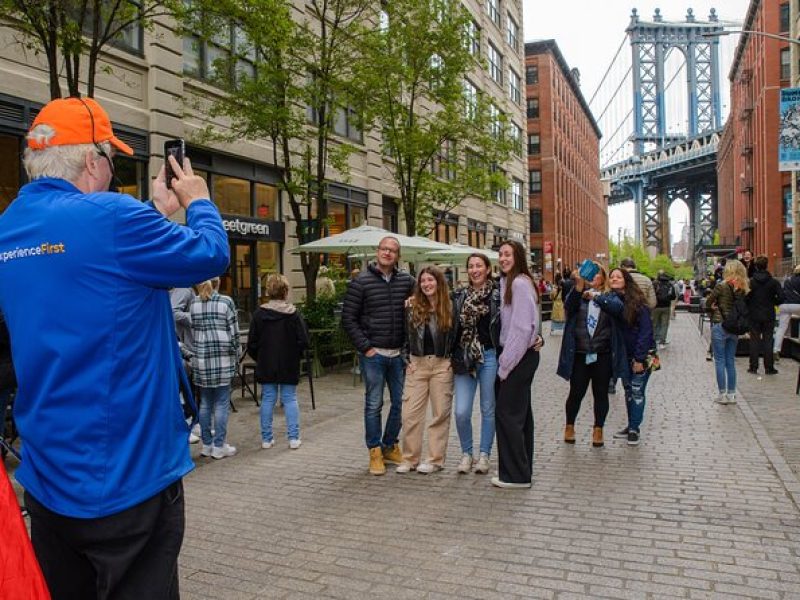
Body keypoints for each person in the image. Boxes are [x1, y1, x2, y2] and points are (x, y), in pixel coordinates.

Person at [0, 97, 229, 598]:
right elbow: (211, 253)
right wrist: (198, 200)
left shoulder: (8, 228)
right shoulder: (112, 216)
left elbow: (89, 268)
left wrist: (155, 215)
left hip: (49, 482)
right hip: (131, 480)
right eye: (111, 159)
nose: (111, 170)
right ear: (91, 161)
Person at [342, 236, 414, 475]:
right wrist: (366, 348)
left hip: (398, 355)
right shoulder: (360, 282)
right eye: (384, 248)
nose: (387, 253)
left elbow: (418, 310)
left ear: (398, 255)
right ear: (377, 251)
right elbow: (348, 319)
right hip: (374, 354)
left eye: (392, 250)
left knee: (400, 403)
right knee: (374, 404)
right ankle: (374, 450)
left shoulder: (407, 281)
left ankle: (390, 445)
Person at [557, 262, 626, 449]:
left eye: (597, 274)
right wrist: (579, 287)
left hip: (602, 354)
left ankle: (598, 429)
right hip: (580, 353)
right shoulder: (578, 296)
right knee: (576, 393)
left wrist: (596, 296)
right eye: (590, 273)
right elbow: (568, 306)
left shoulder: (611, 297)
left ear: (603, 277)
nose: (593, 277)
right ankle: (569, 425)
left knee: (601, 394)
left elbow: (618, 308)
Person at [492, 240, 542, 489]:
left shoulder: (519, 283)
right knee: (520, 415)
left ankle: (515, 476)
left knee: (507, 414)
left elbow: (522, 329)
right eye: (500, 254)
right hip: (522, 355)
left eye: (508, 254)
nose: (502, 258)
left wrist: (505, 365)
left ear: (518, 256)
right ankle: (522, 470)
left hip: (518, 357)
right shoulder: (510, 282)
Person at [396, 267, 455, 474]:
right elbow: (403, 337)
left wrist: (451, 360)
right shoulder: (412, 307)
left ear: (439, 282)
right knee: (410, 414)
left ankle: (434, 460)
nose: (427, 284)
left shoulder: (450, 306)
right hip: (417, 365)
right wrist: (406, 360)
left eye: (431, 280)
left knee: (439, 414)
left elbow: (457, 336)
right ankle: (409, 459)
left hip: (441, 365)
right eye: (423, 281)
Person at [247, 274, 310, 450]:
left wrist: (260, 357)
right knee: (289, 399)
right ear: (285, 291)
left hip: (267, 362)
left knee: (268, 399)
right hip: (289, 362)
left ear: (268, 291)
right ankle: (293, 438)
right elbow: (304, 340)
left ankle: (266, 439)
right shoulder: (294, 314)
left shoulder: (259, 314)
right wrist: (296, 354)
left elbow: (251, 343)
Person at [594, 269, 655, 446]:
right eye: (612, 276)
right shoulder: (611, 300)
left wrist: (639, 358)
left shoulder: (637, 304)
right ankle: (631, 426)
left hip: (640, 355)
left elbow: (646, 332)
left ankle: (634, 429)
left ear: (626, 280)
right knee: (629, 390)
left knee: (636, 391)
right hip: (624, 355)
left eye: (618, 277)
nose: (614, 279)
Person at [451, 253, 500, 475]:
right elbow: (437, 306)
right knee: (461, 411)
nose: (474, 269)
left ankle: (484, 455)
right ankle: (466, 453)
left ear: (488, 269)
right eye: (471, 266)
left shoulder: (498, 296)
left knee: (488, 408)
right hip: (464, 358)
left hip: (489, 356)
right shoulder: (459, 295)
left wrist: (536, 336)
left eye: (479, 265)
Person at [192, 277, 241, 459]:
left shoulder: (194, 303)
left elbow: (194, 328)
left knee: (205, 403)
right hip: (222, 359)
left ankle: (206, 445)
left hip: (202, 359)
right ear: (218, 283)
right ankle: (219, 446)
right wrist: (237, 353)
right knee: (221, 403)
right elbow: (235, 333)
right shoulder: (226, 302)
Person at [707, 260, 750, 404]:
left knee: (720, 360)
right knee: (730, 361)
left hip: (720, 325)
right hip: (735, 327)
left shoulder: (722, 286)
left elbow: (708, 302)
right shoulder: (744, 288)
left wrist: (712, 308)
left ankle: (722, 394)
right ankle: (732, 394)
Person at [746, 255, 783, 375]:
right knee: (768, 340)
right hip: (768, 314)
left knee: (754, 340)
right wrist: (773, 302)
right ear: (766, 266)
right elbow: (782, 297)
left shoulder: (751, 282)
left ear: (756, 266)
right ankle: (769, 367)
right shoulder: (773, 282)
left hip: (754, 314)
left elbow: (745, 297)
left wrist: (750, 305)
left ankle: (753, 366)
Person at [774, 264, 800, 361]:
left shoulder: (788, 280)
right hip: (797, 305)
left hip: (784, 305)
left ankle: (776, 349)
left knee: (781, 328)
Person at [652, 270, 676, 347]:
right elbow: (673, 296)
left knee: (654, 324)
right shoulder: (670, 285)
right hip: (666, 307)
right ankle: (662, 341)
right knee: (664, 325)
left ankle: (653, 340)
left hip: (656, 306)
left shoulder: (655, 284)